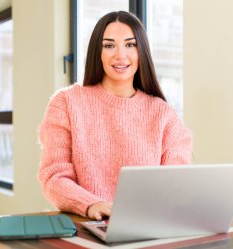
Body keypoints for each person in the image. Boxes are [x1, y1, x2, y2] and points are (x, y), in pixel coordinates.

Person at [38, 11, 193, 220]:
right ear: (97, 52)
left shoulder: (163, 114)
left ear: (142, 52)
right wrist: (92, 204)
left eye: (130, 45)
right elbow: (54, 177)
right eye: (109, 45)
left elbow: (177, 183)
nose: (120, 55)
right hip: (86, 224)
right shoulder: (66, 103)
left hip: (147, 225)